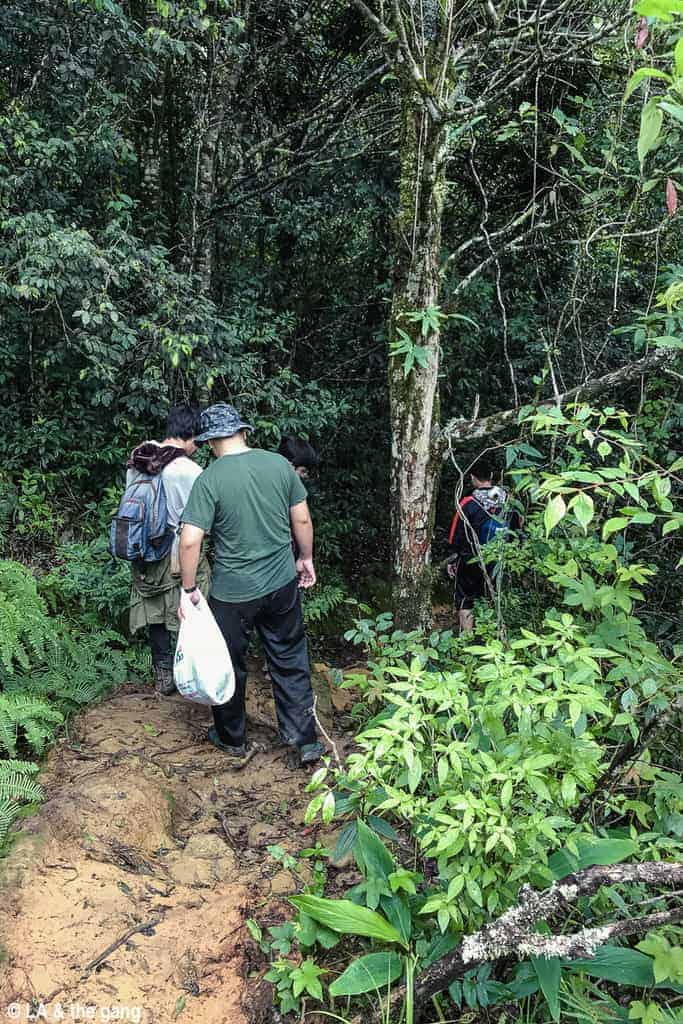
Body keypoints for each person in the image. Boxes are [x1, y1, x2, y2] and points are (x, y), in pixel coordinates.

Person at [178, 403, 325, 767]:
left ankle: (232, 738)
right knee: (289, 656)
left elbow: (190, 540)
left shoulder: (209, 480)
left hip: (233, 592)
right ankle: (304, 739)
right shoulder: (278, 464)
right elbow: (302, 518)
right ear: (243, 432)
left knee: (227, 662)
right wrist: (305, 558)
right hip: (281, 583)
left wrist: (188, 588)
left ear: (211, 441)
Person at [128, 406, 210, 695]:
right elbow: (200, 520)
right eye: (198, 440)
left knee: (154, 612)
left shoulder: (139, 457)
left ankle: (163, 675)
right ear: (190, 436)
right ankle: (190, 673)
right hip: (178, 551)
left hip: (142, 549)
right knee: (192, 606)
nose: (199, 447)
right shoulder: (189, 470)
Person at [446, 459, 522, 633]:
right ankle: (496, 637)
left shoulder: (468, 503)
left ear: (473, 478)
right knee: (495, 596)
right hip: (500, 559)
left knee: (466, 598)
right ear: (491, 477)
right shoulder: (508, 502)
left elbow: (455, 534)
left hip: (471, 560)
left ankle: (468, 639)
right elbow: (517, 530)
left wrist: (452, 559)